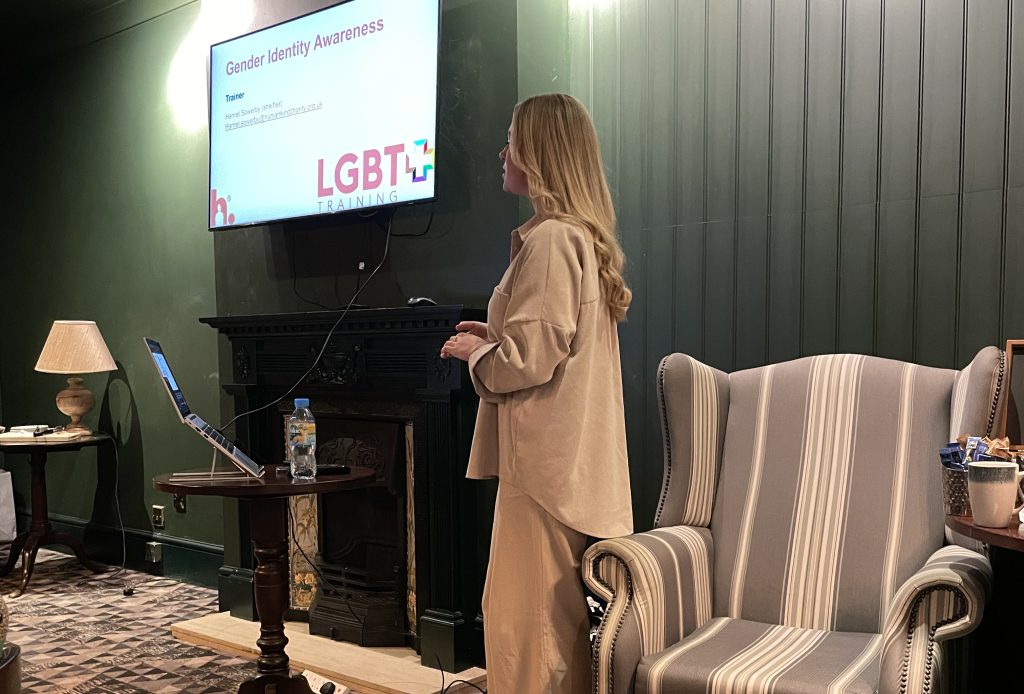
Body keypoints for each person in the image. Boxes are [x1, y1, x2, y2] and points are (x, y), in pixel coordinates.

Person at [439, 93, 633, 694]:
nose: (502, 152)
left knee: (525, 635)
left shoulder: (552, 239)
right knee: (552, 628)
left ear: (540, 152)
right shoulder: (579, 238)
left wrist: (480, 355)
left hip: (542, 474)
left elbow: (531, 360)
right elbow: (553, 343)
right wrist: (493, 334)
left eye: (512, 139)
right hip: (567, 469)